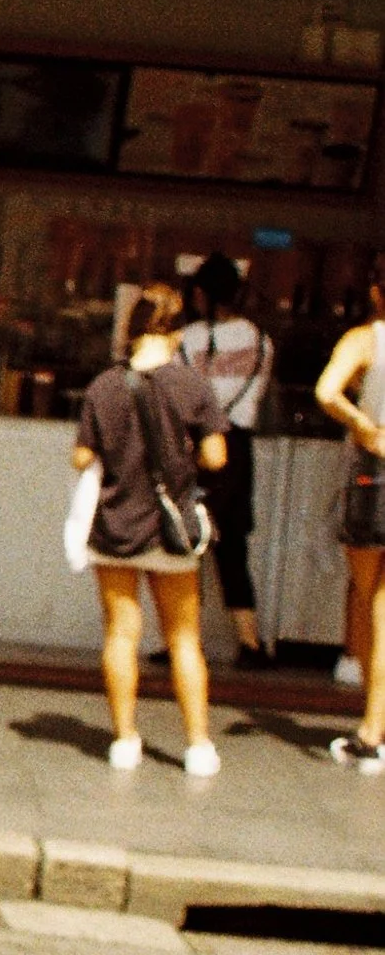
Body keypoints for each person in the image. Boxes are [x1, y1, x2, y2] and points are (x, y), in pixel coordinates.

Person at [71, 280, 228, 779]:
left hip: (116, 524)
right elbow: (216, 456)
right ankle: (198, 745)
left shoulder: (103, 386)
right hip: (171, 528)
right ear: (177, 332)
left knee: (121, 634)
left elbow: (81, 457)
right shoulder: (191, 385)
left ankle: (124, 740)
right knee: (184, 638)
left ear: (133, 328)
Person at [179, 256, 274, 663]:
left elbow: (180, 395)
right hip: (238, 446)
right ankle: (250, 643)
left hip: (196, 443)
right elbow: (256, 395)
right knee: (232, 545)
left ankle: (183, 639)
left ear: (200, 293)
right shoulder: (262, 341)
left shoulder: (187, 339)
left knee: (186, 541)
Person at [315, 276, 385, 776]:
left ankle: (372, 731)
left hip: (374, 478)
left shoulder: (364, 339)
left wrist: (362, 424)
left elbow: (326, 391)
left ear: (377, 292)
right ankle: (374, 725)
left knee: (372, 600)